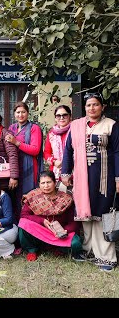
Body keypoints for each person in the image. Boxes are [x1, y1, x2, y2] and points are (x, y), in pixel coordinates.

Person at [62, 92, 119, 272]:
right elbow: (67, 150)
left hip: (104, 179)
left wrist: (118, 178)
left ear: (102, 107)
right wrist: (65, 172)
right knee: (86, 214)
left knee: (105, 213)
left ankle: (107, 256)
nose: (91, 108)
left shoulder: (111, 125)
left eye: (95, 104)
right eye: (88, 105)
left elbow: (117, 152)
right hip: (81, 179)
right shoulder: (77, 126)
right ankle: (89, 250)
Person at [18, 171, 82, 262]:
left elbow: (74, 222)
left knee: (76, 244)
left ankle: (57, 248)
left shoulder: (66, 198)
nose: (46, 186)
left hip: (60, 233)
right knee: (23, 223)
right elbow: (24, 215)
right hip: (41, 232)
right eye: (43, 183)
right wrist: (42, 221)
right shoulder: (33, 196)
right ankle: (32, 250)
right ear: (39, 184)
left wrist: (64, 231)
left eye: (49, 182)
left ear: (55, 183)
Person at [6, 101, 44, 214]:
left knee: (28, 197)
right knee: (15, 197)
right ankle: (17, 225)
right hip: (14, 165)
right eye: (18, 112)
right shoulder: (11, 128)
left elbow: (35, 150)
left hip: (29, 166)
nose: (20, 115)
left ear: (28, 113)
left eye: (23, 112)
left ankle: (28, 225)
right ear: (14, 114)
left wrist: (16, 143)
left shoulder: (34, 128)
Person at [43, 105, 72, 181]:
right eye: (58, 116)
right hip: (56, 171)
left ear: (70, 116)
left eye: (64, 115)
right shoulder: (51, 133)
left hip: (74, 170)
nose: (61, 118)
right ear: (55, 118)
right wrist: (54, 161)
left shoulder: (74, 131)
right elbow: (46, 153)